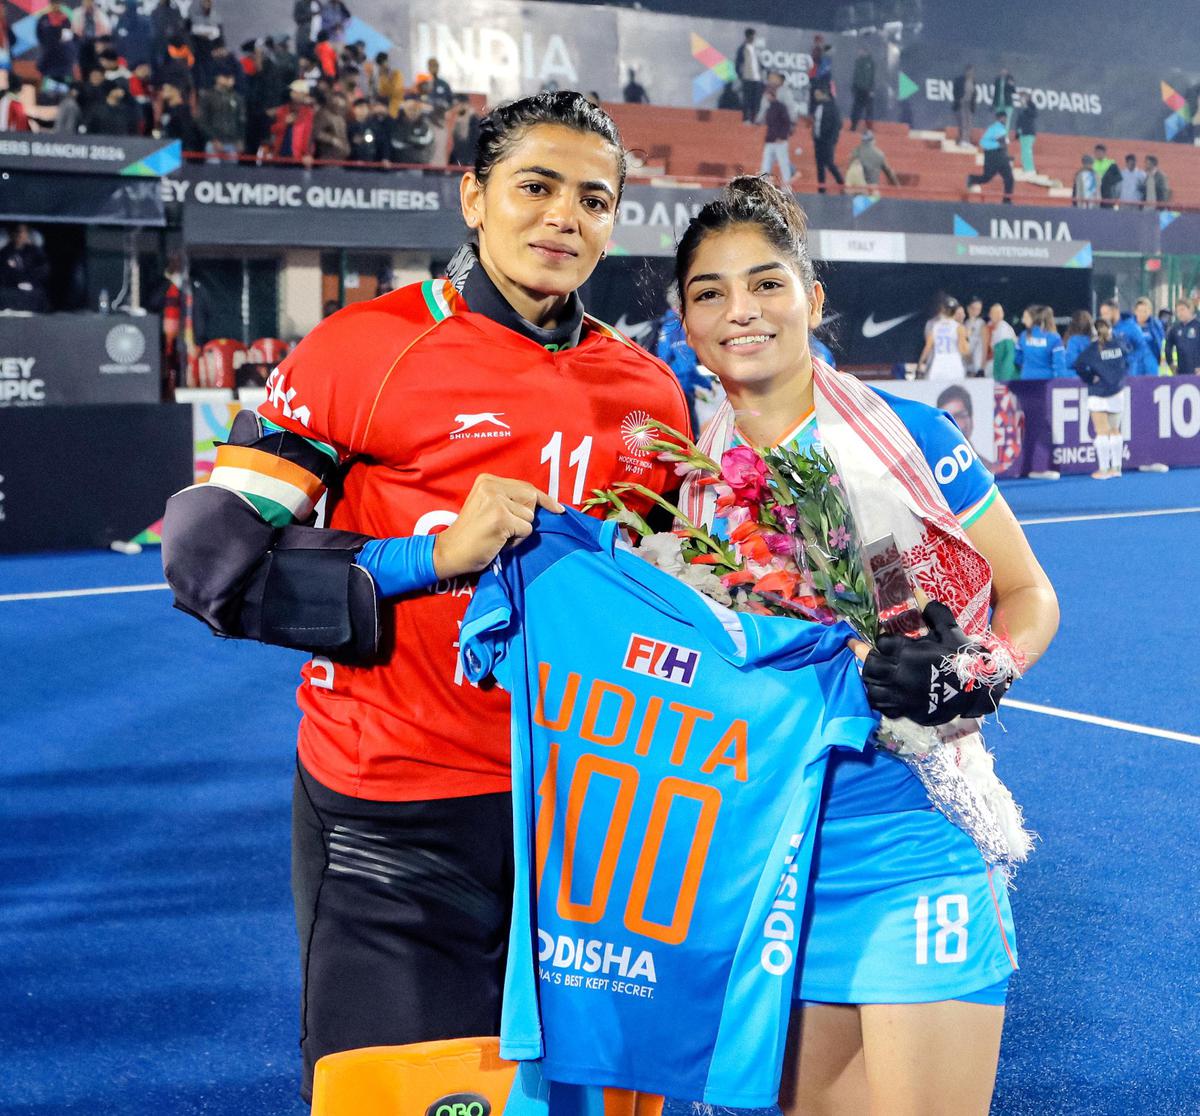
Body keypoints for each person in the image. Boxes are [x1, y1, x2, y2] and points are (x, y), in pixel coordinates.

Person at [160, 90, 690, 1104]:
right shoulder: (369, 347)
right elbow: (208, 560)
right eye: (535, 187)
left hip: (590, 831)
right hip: (395, 819)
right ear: (473, 197)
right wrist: (431, 553)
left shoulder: (650, 393)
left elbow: (678, 597)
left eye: (594, 198)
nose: (563, 218)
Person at [671, 175, 1058, 1116]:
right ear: (685, 320)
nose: (740, 312)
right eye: (709, 293)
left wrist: (972, 671)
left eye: (766, 283)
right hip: (760, 857)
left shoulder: (910, 437)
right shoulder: (674, 473)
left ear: (813, 296)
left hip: (906, 838)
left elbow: (1029, 596)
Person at [1072, 317, 1129, 479]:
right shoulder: (1119, 345)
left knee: (1102, 432)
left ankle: (1104, 469)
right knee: (1115, 430)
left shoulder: (1092, 349)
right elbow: (1128, 359)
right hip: (1117, 393)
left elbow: (1078, 365)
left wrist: (1090, 378)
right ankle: (1116, 468)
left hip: (1098, 394)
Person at [1099, 298, 1155, 378]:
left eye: (1106, 313)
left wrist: (1128, 360)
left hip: (1128, 376)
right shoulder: (1103, 329)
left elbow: (1142, 348)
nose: (1103, 317)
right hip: (1109, 377)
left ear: (1115, 311)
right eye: (1102, 314)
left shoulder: (1130, 326)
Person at [0, 223, 51, 312]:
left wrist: (29, 282)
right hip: (9, 288)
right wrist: (15, 282)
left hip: (32, 287)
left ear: (27, 234)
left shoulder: (35, 252)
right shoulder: (4, 253)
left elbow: (42, 269)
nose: (18, 235)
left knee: (39, 294)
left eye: (21, 232)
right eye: (16, 232)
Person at [197, 69, 246, 161]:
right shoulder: (208, 96)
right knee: (213, 172)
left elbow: (241, 120)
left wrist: (240, 139)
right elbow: (202, 121)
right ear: (218, 78)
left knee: (232, 173)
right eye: (227, 77)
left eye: (232, 77)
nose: (231, 80)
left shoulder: (237, 97)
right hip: (214, 142)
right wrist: (213, 138)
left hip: (232, 142)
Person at [966, 111, 1014, 203]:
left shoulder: (1003, 129)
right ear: (998, 118)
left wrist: (1006, 156)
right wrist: (997, 145)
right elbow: (983, 143)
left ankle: (1007, 200)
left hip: (1001, 158)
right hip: (992, 157)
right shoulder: (993, 129)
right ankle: (972, 178)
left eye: (1005, 118)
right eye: (1003, 118)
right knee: (987, 177)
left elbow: (1003, 145)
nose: (1004, 120)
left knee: (1009, 178)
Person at [918, 297, 969, 380]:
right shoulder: (959, 327)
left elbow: (928, 347)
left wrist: (920, 363)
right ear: (955, 311)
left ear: (943, 310)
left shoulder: (935, 326)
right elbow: (963, 349)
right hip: (954, 360)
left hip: (939, 361)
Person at [267, 78, 315, 162]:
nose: (293, 94)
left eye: (296, 92)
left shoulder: (308, 113)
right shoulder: (282, 110)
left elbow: (309, 135)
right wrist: (285, 123)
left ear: (304, 94)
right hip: (280, 155)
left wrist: (307, 154)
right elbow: (273, 129)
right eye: (293, 91)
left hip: (298, 157)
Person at [759, 80, 795, 191]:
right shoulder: (769, 108)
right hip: (770, 140)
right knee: (765, 165)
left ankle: (787, 188)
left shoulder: (780, 107)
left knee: (784, 165)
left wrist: (782, 137)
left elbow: (787, 123)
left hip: (780, 141)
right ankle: (762, 186)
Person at [1015, 305, 1066, 379]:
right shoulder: (1054, 337)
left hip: (1026, 378)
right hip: (1047, 381)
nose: (1023, 321)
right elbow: (1059, 363)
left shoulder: (1023, 336)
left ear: (1034, 318)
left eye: (1026, 318)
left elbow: (1017, 358)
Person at [810, 87, 843, 194]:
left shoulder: (833, 107)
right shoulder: (817, 106)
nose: (816, 97)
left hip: (828, 141)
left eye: (818, 94)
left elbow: (837, 124)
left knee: (829, 163)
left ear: (825, 94)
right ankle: (821, 189)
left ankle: (841, 183)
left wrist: (833, 139)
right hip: (818, 141)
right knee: (819, 165)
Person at [1165, 298, 1200, 376]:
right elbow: (1168, 348)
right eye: (1177, 311)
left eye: (1182, 310)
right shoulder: (1175, 329)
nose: (1180, 313)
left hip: (1197, 372)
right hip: (1181, 373)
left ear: (1190, 309)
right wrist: (1171, 365)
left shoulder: (1198, 326)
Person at [735, 27, 762, 124]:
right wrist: (740, 75)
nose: (753, 38)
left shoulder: (756, 49)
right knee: (747, 99)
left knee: (756, 100)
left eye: (754, 36)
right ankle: (746, 119)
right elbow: (738, 63)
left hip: (757, 78)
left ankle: (754, 119)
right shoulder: (742, 49)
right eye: (752, 36)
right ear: (748, 36)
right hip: (747, 77)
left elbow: (759, 62)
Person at [312, 90, 350, 161]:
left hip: (341, 158)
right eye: (336, 100)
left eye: (341, 100)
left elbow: (343, 136)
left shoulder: (341, 117)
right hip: (327, 157)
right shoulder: (324, 114)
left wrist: (346, 148)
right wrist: (332, 140)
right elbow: (316, 132)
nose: (338, 103)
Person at [986, 302, 1018, 381]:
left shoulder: (1006, 328)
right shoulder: (986, 327)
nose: (998, 315)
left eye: (1000, 312)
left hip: (1002, 366)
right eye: (995, 313)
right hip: (989, 364)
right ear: (990, 314)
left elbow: (1009, 352)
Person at [1063, 308, 1095, 378]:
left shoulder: (1073, 341)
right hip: (1094, 376)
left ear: (1072, 324)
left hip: (1076, 378)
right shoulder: (1097, 339)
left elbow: (1070, 362)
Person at [849, 46, 875, 131]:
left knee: (863, 109)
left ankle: (865, 127)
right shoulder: (861, 62)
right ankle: (856, 126)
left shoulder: (868, 63)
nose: (859, 52)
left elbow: (870, 77)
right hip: (862, 89)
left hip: (863, 89)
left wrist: (870, 89)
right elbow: (856, 76)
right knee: (861, 108)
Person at [951, 64, 977, 144]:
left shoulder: (973, 82)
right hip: (961, 104)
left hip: (969, 105)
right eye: (969, 71)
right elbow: (955, 91)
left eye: (972, 72)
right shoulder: (960, 80)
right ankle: (962, 140)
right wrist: (959, 99)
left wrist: (973, 105)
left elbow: (974, 94)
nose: (971, 73)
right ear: (966, 71)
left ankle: (967, 140)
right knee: (963, 123)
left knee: (969, 123)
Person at [1013, 92, 1037, 175]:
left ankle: (1030, 169)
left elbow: (1033, 114)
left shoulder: (1031, 105)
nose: (1020, 99)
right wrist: (1017, 132)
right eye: (1020, 98)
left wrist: (1026, 106)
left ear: (1027, 98)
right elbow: (1018, 121)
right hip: (1022, 133)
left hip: (1029, 132)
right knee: (1023, 152)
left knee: (1027, 151)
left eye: (1022, 97)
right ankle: (1026, 168)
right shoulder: (1021, 109)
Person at [964, 295, 986, 376]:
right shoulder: (965, 324)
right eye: (974, 308)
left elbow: (984, 345)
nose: (976, 311)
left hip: (978, 360)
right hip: (967, 361)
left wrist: (982, 365)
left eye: (978, 309)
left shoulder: (981, 323)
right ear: (968, 308)